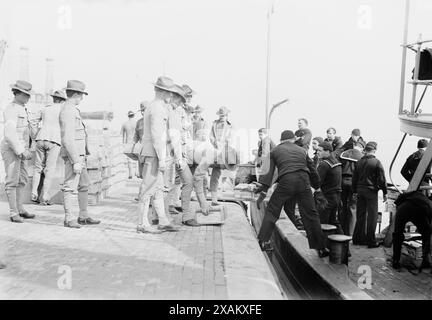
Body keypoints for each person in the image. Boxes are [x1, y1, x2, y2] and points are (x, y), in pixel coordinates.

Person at [255, 130, 329, 257]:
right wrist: (317, 189)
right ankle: (321, 248)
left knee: (273, 210)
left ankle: (263, 241)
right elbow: (312, 170)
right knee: (311, 214)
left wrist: (263, 190)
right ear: (293, 139)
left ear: (281, 140)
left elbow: (268, 173)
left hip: (286, 181)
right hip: (303, 181)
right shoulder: (302, 151)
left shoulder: (275, 151)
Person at [136, 76, 179, 233]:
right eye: (169, 92)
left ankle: (162, 220)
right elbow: (157, 135)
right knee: (147, 189)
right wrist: (162, 158)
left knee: (158, 188)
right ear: (164, 92)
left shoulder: (156, 106)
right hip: (153, 154)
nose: (171, 96)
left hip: (154, 153)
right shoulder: (157, 108)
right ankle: (142, 224)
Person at [59, 80, 100, 228]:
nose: (82, 98)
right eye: (81, 95)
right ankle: (69, 218)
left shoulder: (72, 110)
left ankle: (83, 215)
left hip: (79, 156)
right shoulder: (68, 111)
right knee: (70, 186)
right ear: (76, 94)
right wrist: (76, 160)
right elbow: (67, 139)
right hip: (73, 156)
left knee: (84, 184)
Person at [1, 80, 35, 223]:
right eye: (26, 94)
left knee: (22, 180)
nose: (28, 97)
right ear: (18, 93)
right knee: (12, 181)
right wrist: (20, 151)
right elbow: (10, 134)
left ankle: (20, 208)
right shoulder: (11, 109)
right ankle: (13, 213)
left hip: (21, 150)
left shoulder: (22, 108)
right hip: (12, 149)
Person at [164, 84, 197, 226]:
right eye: (187, 96)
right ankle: (163, 216)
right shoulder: (175, 111)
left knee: (184, 182)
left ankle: (184, 215)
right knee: (168, 185)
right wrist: (179, 157)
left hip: (179, 154)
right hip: (173, 154)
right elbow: (174, 135)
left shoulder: (181, 111)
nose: (189, 99)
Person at [31, 89, 66, 205]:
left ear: (53, 98)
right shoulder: (62, 110)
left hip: (40, 138)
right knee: (49, 169)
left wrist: (35, 135)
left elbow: (33, 122)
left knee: (37, 168)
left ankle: (34, 192)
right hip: (54, 140)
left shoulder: (45, 108)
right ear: (62, 100)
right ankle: (45, 196)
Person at [352, 141, 387, 248]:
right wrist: (385, 192)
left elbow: (355, 178)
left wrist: (354, 191)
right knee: (372, 216)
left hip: (360, 191)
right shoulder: (376, 162)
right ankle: (371, 241)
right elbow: (381, 180)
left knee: (360, 215)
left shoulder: (359, 162)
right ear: (374, 150)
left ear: (365, 150)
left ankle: (357, 239)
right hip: (371, 192)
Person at [392, 191, 431, 270]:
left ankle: (396, 261)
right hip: (419, 210)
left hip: (404, 208)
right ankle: (425, 261)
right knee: (426, 233)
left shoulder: (417, 196)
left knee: (398, 234)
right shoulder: (428, 203)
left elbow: (399, 201)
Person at [339, 140, 365, 236]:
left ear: (354, 145)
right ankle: (350, 234)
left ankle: (341, 231)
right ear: (362, 148)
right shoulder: (361, 157)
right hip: (354, 183)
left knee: (342, 207)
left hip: (342, 181)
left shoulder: (345, 153)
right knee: (353, 208)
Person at [209, 106, 234, 205]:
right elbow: (211, 136)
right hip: (216, 151)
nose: (222, 117)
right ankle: (214, 199)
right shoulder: (214, 124)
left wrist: (226, 146)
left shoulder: (230, 126)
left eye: (224, 115)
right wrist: (215, 142)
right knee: (215, 174)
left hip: (225, 151)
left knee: (228, 174)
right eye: (221, 115)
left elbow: (231, 139)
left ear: (227, 116)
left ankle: (220, 194)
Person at [316, 141, 343, 233]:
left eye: (320, 150)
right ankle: (344, 245)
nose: (317, 152)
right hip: (336, 196)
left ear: (327, 151)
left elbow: (317, 182)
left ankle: (322, 245)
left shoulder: (324, 164)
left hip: (326, 197)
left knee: (322, 222)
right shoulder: (336, 162)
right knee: (333, 221)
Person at [134, 101, 149, 179]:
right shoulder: (139, 122)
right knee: (143, 176)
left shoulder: (153, 121)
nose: (143, 112)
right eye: (142, 111)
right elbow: (136, 135)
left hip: (151, 151)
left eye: (145, 110)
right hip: (141, 151)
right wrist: (133, 144)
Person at [121, 110, 137, 179]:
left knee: (129, 160)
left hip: (128, 142)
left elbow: (122, 135)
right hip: (135, 142)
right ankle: (136, 172)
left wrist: (122, 144)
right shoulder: (136, 123)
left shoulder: (125, 124)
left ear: (128, 115)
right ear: (134, 115)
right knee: (136, 158)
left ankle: (130, 174)